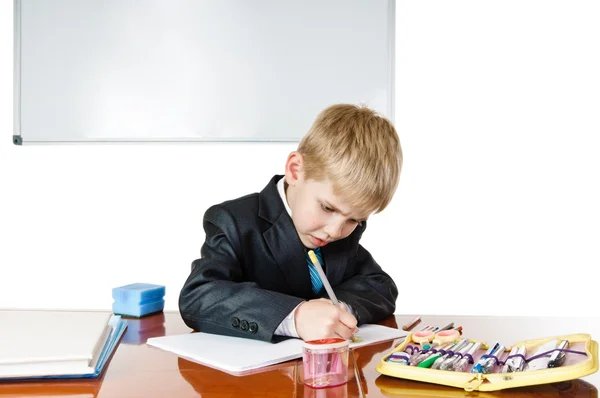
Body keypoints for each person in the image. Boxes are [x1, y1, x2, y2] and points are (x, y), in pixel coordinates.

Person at [179, 103, 402, 342]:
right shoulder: (232, 222)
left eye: (355, 220)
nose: (335, 231)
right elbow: (198, 296)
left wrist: (336, 308)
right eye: (327, 207)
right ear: (295, 171)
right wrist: (294, 316)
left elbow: (380, 285)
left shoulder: (343, 231)